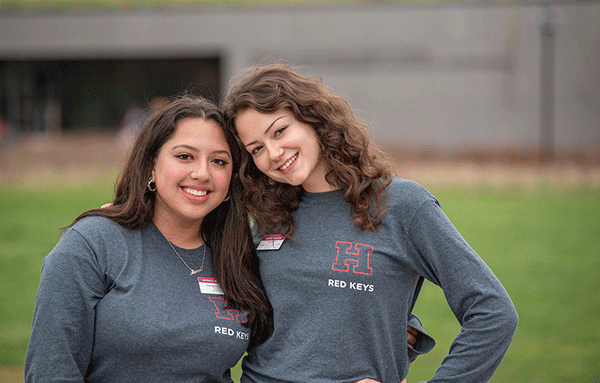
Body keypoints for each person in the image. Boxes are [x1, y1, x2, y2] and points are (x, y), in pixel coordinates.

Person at [222, 63, 519, 383]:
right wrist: (394, 325)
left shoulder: (402, 205)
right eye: (256, 149)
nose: (274, 153)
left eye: (279, 131)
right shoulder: (268, 217)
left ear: (312, 118)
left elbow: (493, 313)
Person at [24, 95, 272, 382]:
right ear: (152, 164)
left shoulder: (237, 257)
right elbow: (50, 370)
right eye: (184, 156)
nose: (202, 173)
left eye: (219, 161)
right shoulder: (93, 243)